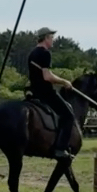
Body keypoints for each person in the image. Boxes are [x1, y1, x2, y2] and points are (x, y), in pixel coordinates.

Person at [27, 27, 75, 159]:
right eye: (52, 38)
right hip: (46, 93)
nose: (53, 40)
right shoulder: (45, 53)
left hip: (33, 92)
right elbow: (47, 77)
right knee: (68, 116)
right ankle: (60, 149)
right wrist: (64, 82)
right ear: (46, 38)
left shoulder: (32, 53)